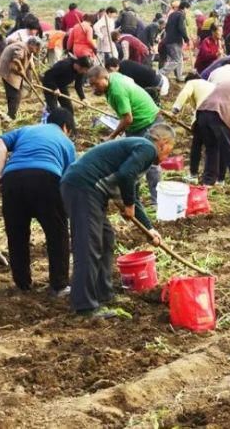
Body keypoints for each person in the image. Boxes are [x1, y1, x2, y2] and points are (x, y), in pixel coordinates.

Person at [59, 127, 171, 317]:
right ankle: (85, 306)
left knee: (106, 239)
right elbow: (125, 175)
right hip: (83, 187)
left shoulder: (139, 154)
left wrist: (150, 230)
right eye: (169, 152)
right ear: (162, 144)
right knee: (89, 246)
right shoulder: (146, 149)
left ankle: (104, 294)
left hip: (90, 191)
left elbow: (133, 196)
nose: (167, 157)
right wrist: (127, 204)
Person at [0, 107, 76, 296]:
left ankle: (22, 283)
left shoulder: (26, 129)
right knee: (57, 233)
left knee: (16, 233)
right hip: (46, 178)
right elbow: (69, 178)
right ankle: (59, 285)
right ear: (65, 127)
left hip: (12, 179)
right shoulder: (66, 143)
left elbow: (0, 143)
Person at [87, 65, 162, 202]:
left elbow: (128, 119)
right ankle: (134, 198)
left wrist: (112, 136)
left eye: (96, 84)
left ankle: (156, 201)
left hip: (148, 122)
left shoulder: (117, 92)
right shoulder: (114, 76)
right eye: (91, 85)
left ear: (105, 78)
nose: (94, 89)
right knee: (132, 161)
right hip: (136, 124)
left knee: (150, 162)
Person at [172, 75, 216, 180]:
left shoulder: (191, 82)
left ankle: (193, 174)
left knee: (197, 145)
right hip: (218, 115)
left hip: (204, 114)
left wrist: (175, 109)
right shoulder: (211, 85)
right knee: (213, 148)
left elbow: (185, 94)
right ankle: (213, 177)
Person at [0, 36, 42, 120]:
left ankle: (12, 113)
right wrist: (21, 69)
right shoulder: (21, 47)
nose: (38, 50)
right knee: (14, 95)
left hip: (13, 71)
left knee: (17, 93)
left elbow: (27, 64)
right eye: (37, 47)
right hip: (9, 71)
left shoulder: (27, 50)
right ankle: (11, 116)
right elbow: (16, 60)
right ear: (32, 45)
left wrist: (29, 79)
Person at [161, 2, 190, 82]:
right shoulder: (181, 15)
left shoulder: (172, 14)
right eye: (188, 9)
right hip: (175, 41)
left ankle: (179, 76)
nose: (188, 11)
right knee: (176, 60)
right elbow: (181, 28)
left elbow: (166, 27)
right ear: (184, 8)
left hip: (169, 39)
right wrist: (186, 39)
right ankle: (160, 74)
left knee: (179, 59)